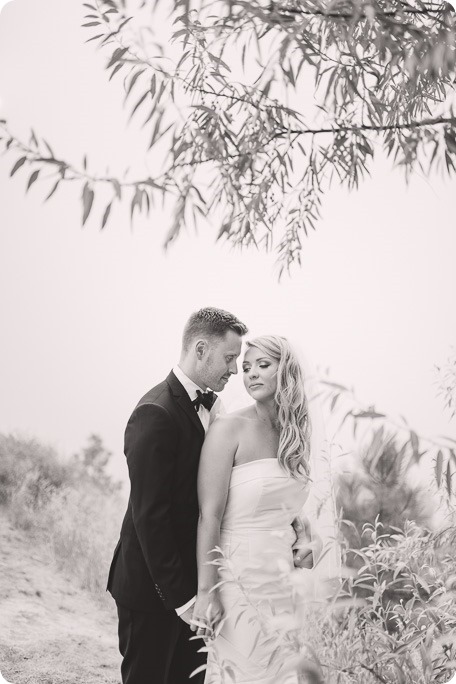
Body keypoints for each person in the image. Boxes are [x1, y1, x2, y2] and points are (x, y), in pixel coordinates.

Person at [107, 307, 248, 684]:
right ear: (200, 349)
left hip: (197, 589)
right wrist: (184, 600)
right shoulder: (155, 412)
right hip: (153, 591)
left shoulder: (217, 409)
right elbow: (150, 517)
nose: (235, 370)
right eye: (230, 358)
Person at [193, 335, 323, 684]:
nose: (251, 374)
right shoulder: (228, 429)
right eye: (247, 368)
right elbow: (210, 516)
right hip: (237, 580)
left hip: (282, 583)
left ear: (287, 370)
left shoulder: (297, 434)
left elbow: (289, 510)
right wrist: (208, 593)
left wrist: (307, 539)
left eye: (263, 365)